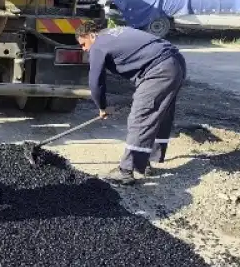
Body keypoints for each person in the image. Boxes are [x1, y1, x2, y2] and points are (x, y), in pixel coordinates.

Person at [76, 20, 187, 186]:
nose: (84, 49)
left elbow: (95, 82)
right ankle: (146, 161)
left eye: (83, 44)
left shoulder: (98, 44)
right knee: (159, 112)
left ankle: (126, 171)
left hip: (158, 70)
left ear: (91, 35)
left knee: (140, 117)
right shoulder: (118, 31)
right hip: (176, 62)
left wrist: (102, 107)